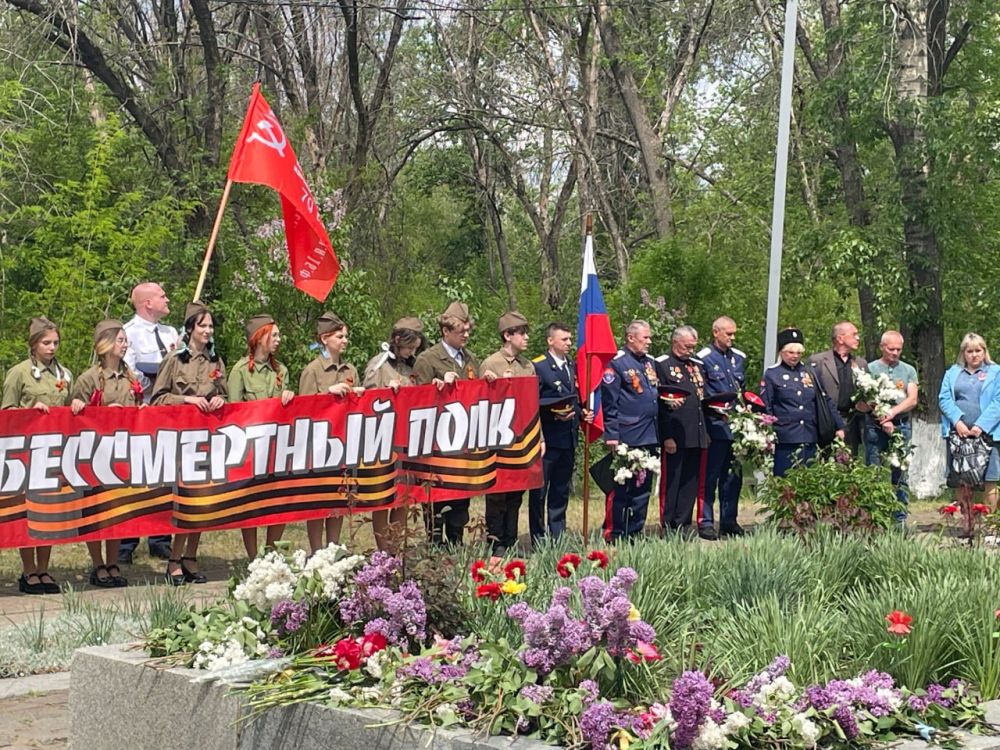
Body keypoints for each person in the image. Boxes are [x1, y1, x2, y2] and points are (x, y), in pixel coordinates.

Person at [150, 301, 228, 585]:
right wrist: (187, 400)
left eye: (211, 326)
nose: (208, 331)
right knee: (184, 501)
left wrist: (220, 399)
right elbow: (158, 398)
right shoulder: (175, 360)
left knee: (202, 500)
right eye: (202, 326)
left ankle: (191, 557)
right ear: (190, 329)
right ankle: (174, 560)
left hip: (207, 439)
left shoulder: (216, 361)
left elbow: (225, 394)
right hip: (179, 439)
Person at [70, 319, 145, 587]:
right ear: (106, 343)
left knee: (116, 509)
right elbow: (74, 417)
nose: (125, 345)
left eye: (126, 340)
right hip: (95, 453)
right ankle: (97, 563)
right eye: (120, 340)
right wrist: (101, 412)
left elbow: (138, 405)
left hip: (122, 452)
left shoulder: (131, 377)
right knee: (95, 509)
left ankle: (113, 562)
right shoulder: (88, 378)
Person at [2, 316, 72, 595]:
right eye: (46, 343)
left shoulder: (64, 374)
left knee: (48, 511)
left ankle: (44, 568)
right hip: (25, 451)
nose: (52, 347)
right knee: (27, 510)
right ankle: (28, 570)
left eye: (55, 342)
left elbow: (68, 408)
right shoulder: (19, 373)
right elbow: (6, 412)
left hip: (54, 450)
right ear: (33, 345)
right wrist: (29, 412)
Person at [413, 301, 483, 546]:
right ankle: (434, 543)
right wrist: (436, 387)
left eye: (468, 331)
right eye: (461, 331)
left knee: (460, 495)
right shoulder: (427, 359)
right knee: (435, 495)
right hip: (436, 441)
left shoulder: (470, 359)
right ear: (445, 331)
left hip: (463, 439)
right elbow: (416, 400)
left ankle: (456, 542)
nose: (466, 335)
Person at [120, 282, 179, 564]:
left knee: (164, 476)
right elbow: (128, 373)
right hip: (139, 412)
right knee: (134, 477)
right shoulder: (128, 333)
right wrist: (157, 378)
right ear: (147, 303)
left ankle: (160, 538)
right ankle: (127, 542)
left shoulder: (172, 333)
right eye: (162, 296)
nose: (167, 300)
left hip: (167, 414)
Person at [228, 314, 295, 559]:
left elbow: (287, 411)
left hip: (277, 448)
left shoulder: (281, 371)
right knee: (251, 504)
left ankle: (271, 554)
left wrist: (289, 397)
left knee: (279, 501)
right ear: (259, 337)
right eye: (273, 335)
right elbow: (233, 412)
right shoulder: (240, 371)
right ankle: (253, 558)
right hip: (250, 449)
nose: (279, 339)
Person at [299, 311, 364, 553]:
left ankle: (333, 548)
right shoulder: (313, 370)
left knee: (339, 496)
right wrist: (327, 393)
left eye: (346, 336)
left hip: (344, 442)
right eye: (340, 336)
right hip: (318, 444)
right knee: (318, 500)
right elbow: (303, 407)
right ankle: (317, 551)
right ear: (325, 338)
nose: (345, 340)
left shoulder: (350, 369)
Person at [363, 316, 427, 552]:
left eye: (415, 348)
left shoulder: (413, 367)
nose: (411, 352)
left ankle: (395, 548)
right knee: (382, 497)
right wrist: (385, 392)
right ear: (398, 340)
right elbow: (366, 400)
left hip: (408, 440)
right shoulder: (379, 364)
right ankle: (383, 550)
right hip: (383, 440)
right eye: (409, 347)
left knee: (404, 496)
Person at [479, 312, 538, 554]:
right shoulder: (491, 363)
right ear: (507, 335)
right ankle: (495, 542)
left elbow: (532, 404)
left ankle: (511, 540)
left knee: (516, 490)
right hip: (497, 436)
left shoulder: (527, 366)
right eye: (521, 333)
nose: (526, 338)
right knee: (497, 492)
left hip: (522, 435)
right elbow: (479, 401)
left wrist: (540, 438)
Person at [600, 320, 659, 541]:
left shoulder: (649, 363)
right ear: (631, 338)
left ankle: (635, 531)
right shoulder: (617, 363)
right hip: (628, 434)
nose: (649, 342)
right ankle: (616, 532)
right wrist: (612, 434)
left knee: (643, 486)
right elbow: (609, 403)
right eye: (645, 337)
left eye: (650, 337)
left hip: (649, 433)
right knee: (622, 486)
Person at [530, 323, 589, 545]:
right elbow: (533, 403)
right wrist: (553, 413)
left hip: (568, 437)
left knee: (560, 490)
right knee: (539, 491)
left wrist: (582, 413)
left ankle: (558, 535)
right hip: (548, 438)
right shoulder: (539, 366)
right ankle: (538, 537)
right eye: (564, 339)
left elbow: (573, 398)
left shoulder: (571, 365)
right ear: (550, 340)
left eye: (570, 339)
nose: (569, 343)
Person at [761, 328, 845, 476]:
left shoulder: (810, 372)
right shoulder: (773, 374)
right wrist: (767, 434)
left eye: (799, 353)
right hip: (786, 437)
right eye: (791, 352)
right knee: (786, 482)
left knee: (808, 481)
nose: (795, 356)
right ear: (781, 352)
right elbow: (766, 406)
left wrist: (839, 426)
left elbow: (824, 399)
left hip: (809, 435)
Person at [656, 326, 711, 538]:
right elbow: (661, 405)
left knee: (690, 482)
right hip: (675, 434)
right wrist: (667, 435)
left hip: (696, 432)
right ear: (675, 342)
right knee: (672, 481)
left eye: (693, 346)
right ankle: (668, 524)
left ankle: (683, 523)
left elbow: (701, 399)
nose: (690, 350)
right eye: (687, 346)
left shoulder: (697, 365)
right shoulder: (662, 364)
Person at [938, 333, 1000, 511]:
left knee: (990, 479)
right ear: (963, 353)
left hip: (989, 434)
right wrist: (958, 421)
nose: (974, 355)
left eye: (978, 350)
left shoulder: (996, 372)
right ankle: (967, 522)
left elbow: (998, 401)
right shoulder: (952, 373)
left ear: (984, 351)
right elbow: (944, 399)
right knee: (961, 479)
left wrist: (981, 425)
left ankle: (989, 523)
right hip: (959, 435)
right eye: (970, 351)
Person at [697, 316, 747, 536]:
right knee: (709, 477)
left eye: (734, 334)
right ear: (716, 332)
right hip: (714, 426)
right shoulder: (703, 359)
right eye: (728, 333)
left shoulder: (739, 358)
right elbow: (701, 396)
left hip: (735, 428)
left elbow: (742, 392)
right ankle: (706, 521)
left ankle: (729, 521)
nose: (732, 338)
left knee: (733, 477)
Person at [864, 331, 918, 522]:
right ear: (882, 347)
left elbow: (912, 399)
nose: (895, 353)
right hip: (875, 426)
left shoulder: (908, 370)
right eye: (891, 349)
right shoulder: (870, 368)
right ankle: (874, 517)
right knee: (874, 471)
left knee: (901, 472)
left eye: (898, 349)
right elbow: (866, 397)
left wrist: (892, 413)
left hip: (901, 425)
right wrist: (882, 417)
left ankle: (899, 518)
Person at [806, 321, 869, 455]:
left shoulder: (860, 363)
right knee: (823, 461)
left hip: (851, 422)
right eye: (854, 334)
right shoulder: (818, 361)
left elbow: (867, 394)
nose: (858, 338)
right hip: (824, 422)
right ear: (840, 338)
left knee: (849, 462)